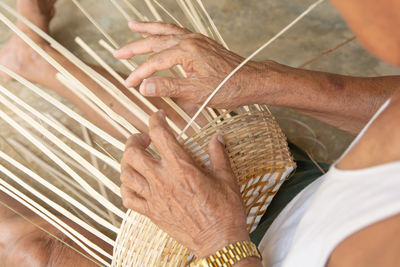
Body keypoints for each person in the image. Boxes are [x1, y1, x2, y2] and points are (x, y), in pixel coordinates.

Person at [0, 0, 399, 266]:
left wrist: (218, 240)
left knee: (34, 250)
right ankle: (32, 57)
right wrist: (261, 80)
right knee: (196, 116)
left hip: (234, 252)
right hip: (298, 196)